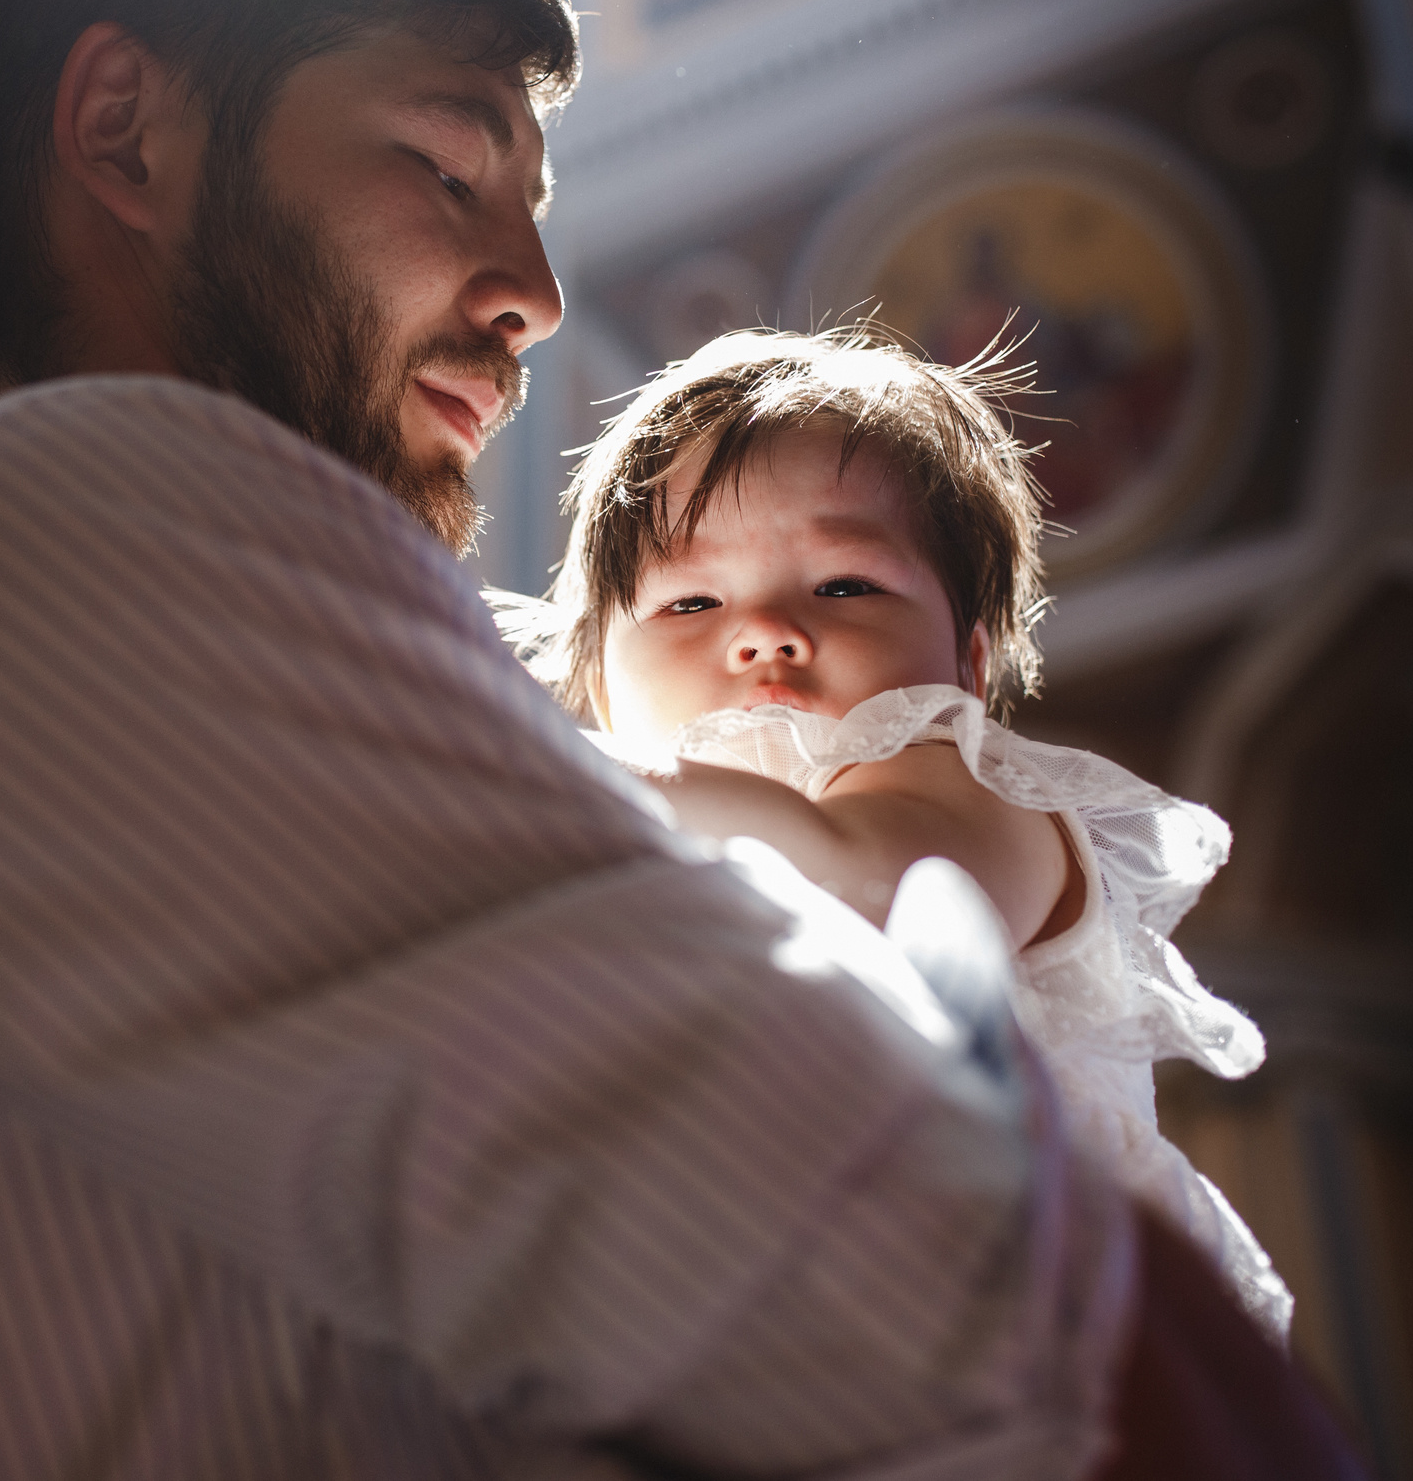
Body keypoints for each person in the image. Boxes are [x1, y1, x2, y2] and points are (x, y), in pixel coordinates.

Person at [0, 0, 1362, 1479]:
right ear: (126, 132)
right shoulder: (57, 516)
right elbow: (921, 1278)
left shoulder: (58, 601)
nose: (534, 290)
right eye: (446, 161)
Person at [495, 329, 1294, 1340]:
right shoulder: (620, 875)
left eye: (844, 585)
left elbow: (861, 879)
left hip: (1053, 1333)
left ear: (967, 662)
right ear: (601, 693)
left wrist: (529, 759)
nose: (764, 631)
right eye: (690, 601)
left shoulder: (966, 786)